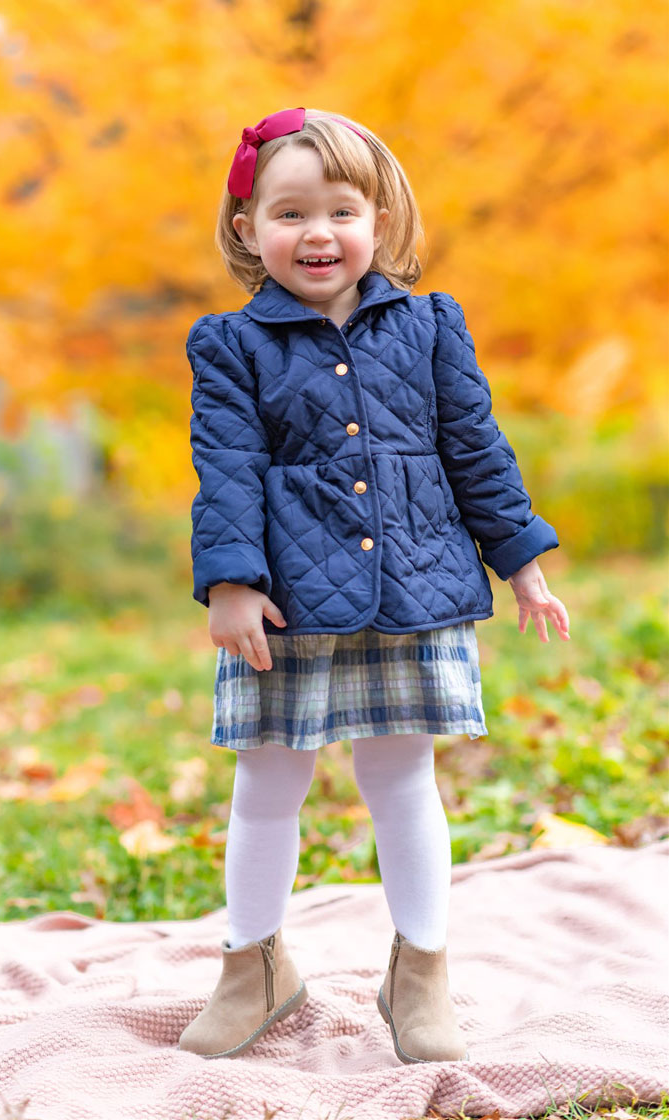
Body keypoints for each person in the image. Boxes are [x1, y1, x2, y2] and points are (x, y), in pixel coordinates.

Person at [178, 107, 571, 1064]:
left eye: (340, 211)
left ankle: (421, 969)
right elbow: (224, 465)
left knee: (403, 782)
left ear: (380, 219)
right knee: (266, 785)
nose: (317, 234)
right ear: (247, 229)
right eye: (288, 214)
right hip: (288, 603)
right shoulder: (230, 346)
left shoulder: (431, 326)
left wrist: (520, 560)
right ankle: (254, 966)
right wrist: (231, 583)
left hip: (418, 584)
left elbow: (475, 449)